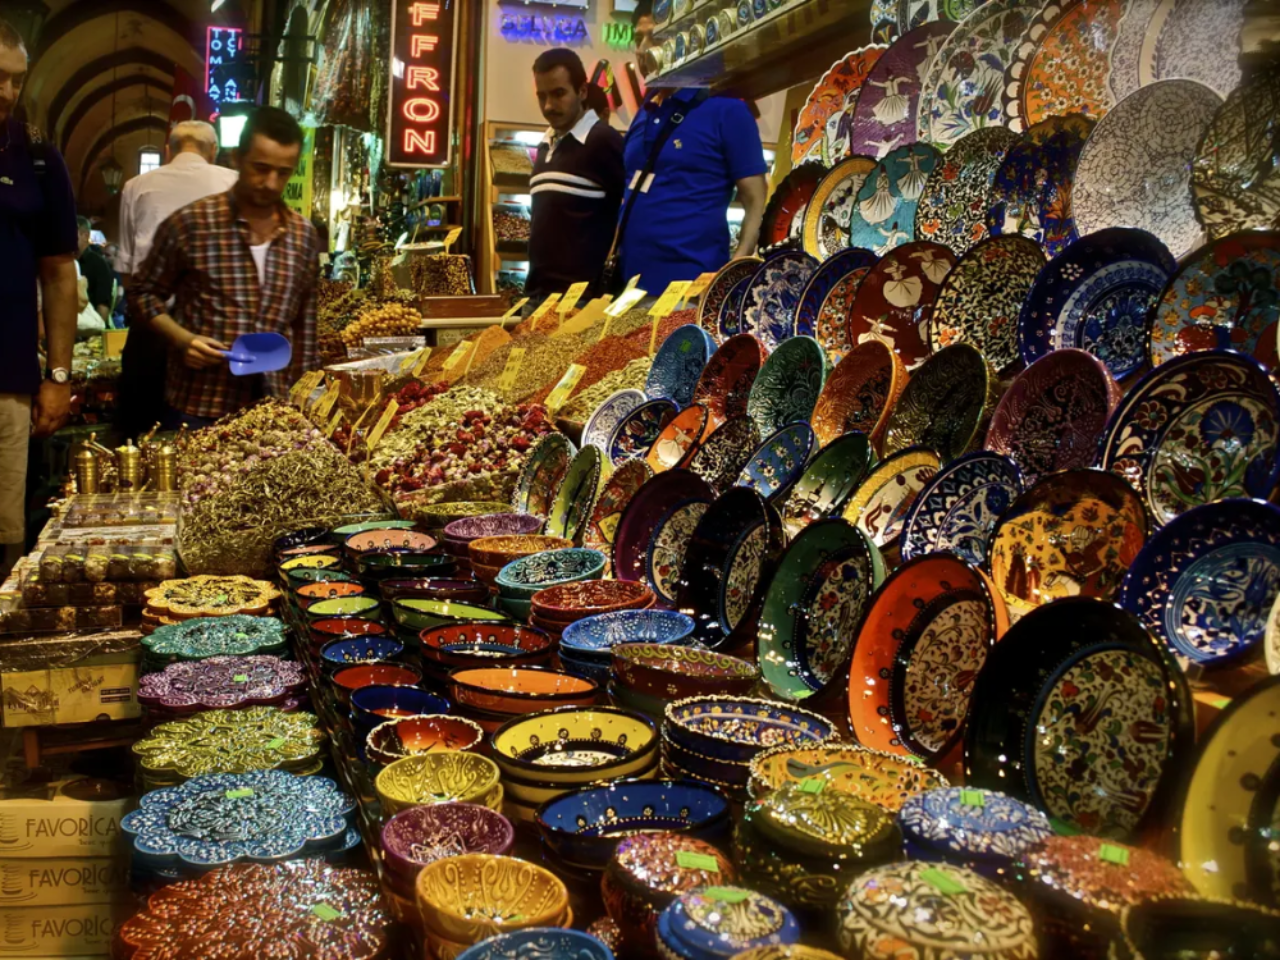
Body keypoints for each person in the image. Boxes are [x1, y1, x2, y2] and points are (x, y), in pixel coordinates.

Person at [128, 106, 320, 430]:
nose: (271, 183)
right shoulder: (192, 223)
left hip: (273, 411)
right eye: (260, 168)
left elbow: (305, 327)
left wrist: (303, 403)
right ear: (236, 159)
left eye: (283, 172)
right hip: (199, 404)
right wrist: (182, 339)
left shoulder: (303, 237)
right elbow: (142, 293)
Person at [616, 0, 768, 291]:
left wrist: (734, 272)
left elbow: (756, 199)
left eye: (655, 38)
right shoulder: (644, 111)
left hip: (691, 294)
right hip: (629, 292)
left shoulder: (726, 108)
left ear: (682, 40)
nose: (642, 49)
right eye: (638, 38)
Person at [0, 18, 77, 569]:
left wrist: (58, 375)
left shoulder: (38, 161)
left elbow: (57, 274)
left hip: (6, 380)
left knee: (4, 536)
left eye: (15, 80)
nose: (6, 92)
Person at [115, 120, 237, 438]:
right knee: (211, 442)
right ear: (214, 152)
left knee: (140, 436)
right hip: (214, 332)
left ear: (169, 150)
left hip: (152, 329)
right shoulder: (235, 183)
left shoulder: (136, 186)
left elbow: (128, 273)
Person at [526, 48, 625, 300]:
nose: (549, 106)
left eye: (559, 94)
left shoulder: (603, 141)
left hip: (579, 302)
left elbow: (627, 215)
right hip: (537, 296)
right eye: (542, 96)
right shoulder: (545, 143)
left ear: (582, 91)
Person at [76, 216, 114, 324]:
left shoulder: (98, 264)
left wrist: (97, 330)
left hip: (90, 329)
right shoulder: (67, 263)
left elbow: (103, 303)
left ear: (85, 236)